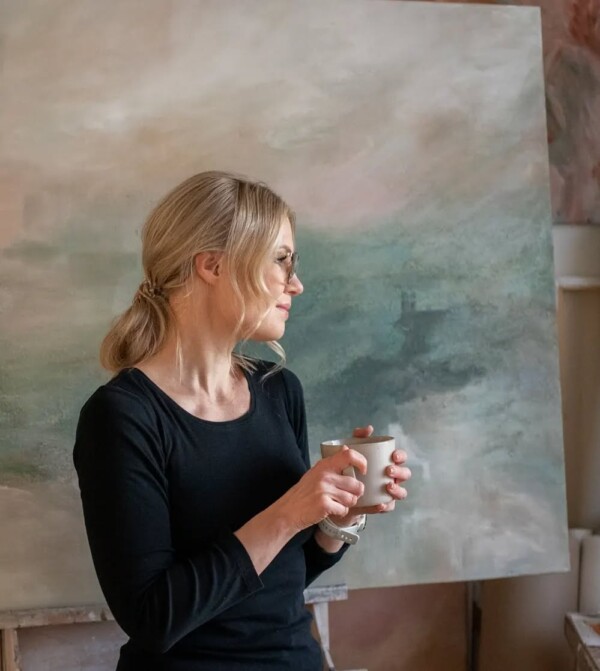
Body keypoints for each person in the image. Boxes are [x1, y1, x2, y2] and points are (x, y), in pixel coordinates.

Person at [73, 171, 411, 671]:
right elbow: (152, 617)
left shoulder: (280, 391)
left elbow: (280, 580)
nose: (295, 283)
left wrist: (336, 519)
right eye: (281, 259)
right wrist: (290, 512)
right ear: (212, 264)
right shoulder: (121, 416)